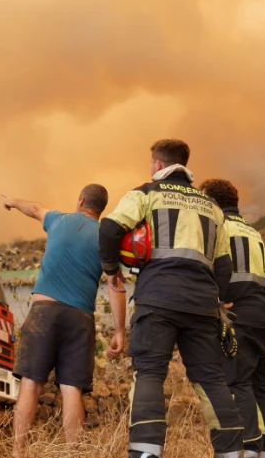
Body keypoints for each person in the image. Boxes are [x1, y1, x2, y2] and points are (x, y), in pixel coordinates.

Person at [99, 139, 244, 458]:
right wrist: (218, 303)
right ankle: (232, 452)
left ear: (157, 165)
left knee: (150, 371)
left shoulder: (146, 192)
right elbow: (224, 265)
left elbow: (109, 229)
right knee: (210, 378)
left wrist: (112, 270)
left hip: (157, 300)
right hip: (203, 305)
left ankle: (147, 451)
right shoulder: (212, 206)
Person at [2, 184, 121, 458]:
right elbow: (116, 285)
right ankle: (73, 453)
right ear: (101, 209)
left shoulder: (58, 220)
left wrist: (12, 201)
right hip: (81, 318)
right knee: (71, 390)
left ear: (80, 201)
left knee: (31, 383)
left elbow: (33, 208)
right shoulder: (105, 236)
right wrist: (119, 331)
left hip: (45, 311)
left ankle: (18, 453)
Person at [202, 178, 265, 458]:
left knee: (237, 383)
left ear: (212, 202)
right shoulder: (253, 231)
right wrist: (260, 304)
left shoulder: (217, 227)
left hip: (237, 315)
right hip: (260, 315)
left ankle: (248, 448)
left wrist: (222, 300)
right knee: (259, 384)